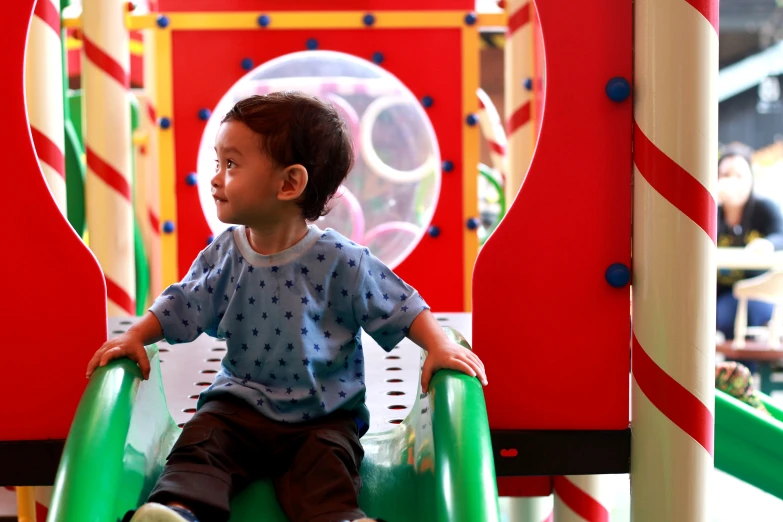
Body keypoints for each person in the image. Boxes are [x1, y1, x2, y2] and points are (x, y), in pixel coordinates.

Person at [85, 92, 488, 522]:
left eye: (231, 165)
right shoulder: (225, 255)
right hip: (237, 406)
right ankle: (177, 512)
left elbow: (400, 305)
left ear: (289, 184)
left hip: (323, 417)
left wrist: (439, 345)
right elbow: (181, 302)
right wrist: (135, 336)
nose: (216, 179)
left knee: (324, 479)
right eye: (216, 163)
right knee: (199, 449)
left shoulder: (342, 262)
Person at [716, 142, 783, 341]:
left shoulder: (764, 208)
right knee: (723, 314)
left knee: (746, 313)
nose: (732, 181)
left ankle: (743, 371)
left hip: (758, 289)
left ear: (750, 179)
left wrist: (768, 244)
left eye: (739, 175)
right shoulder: (710, 211)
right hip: (720, 291)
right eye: (726, 175)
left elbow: (780, 234)